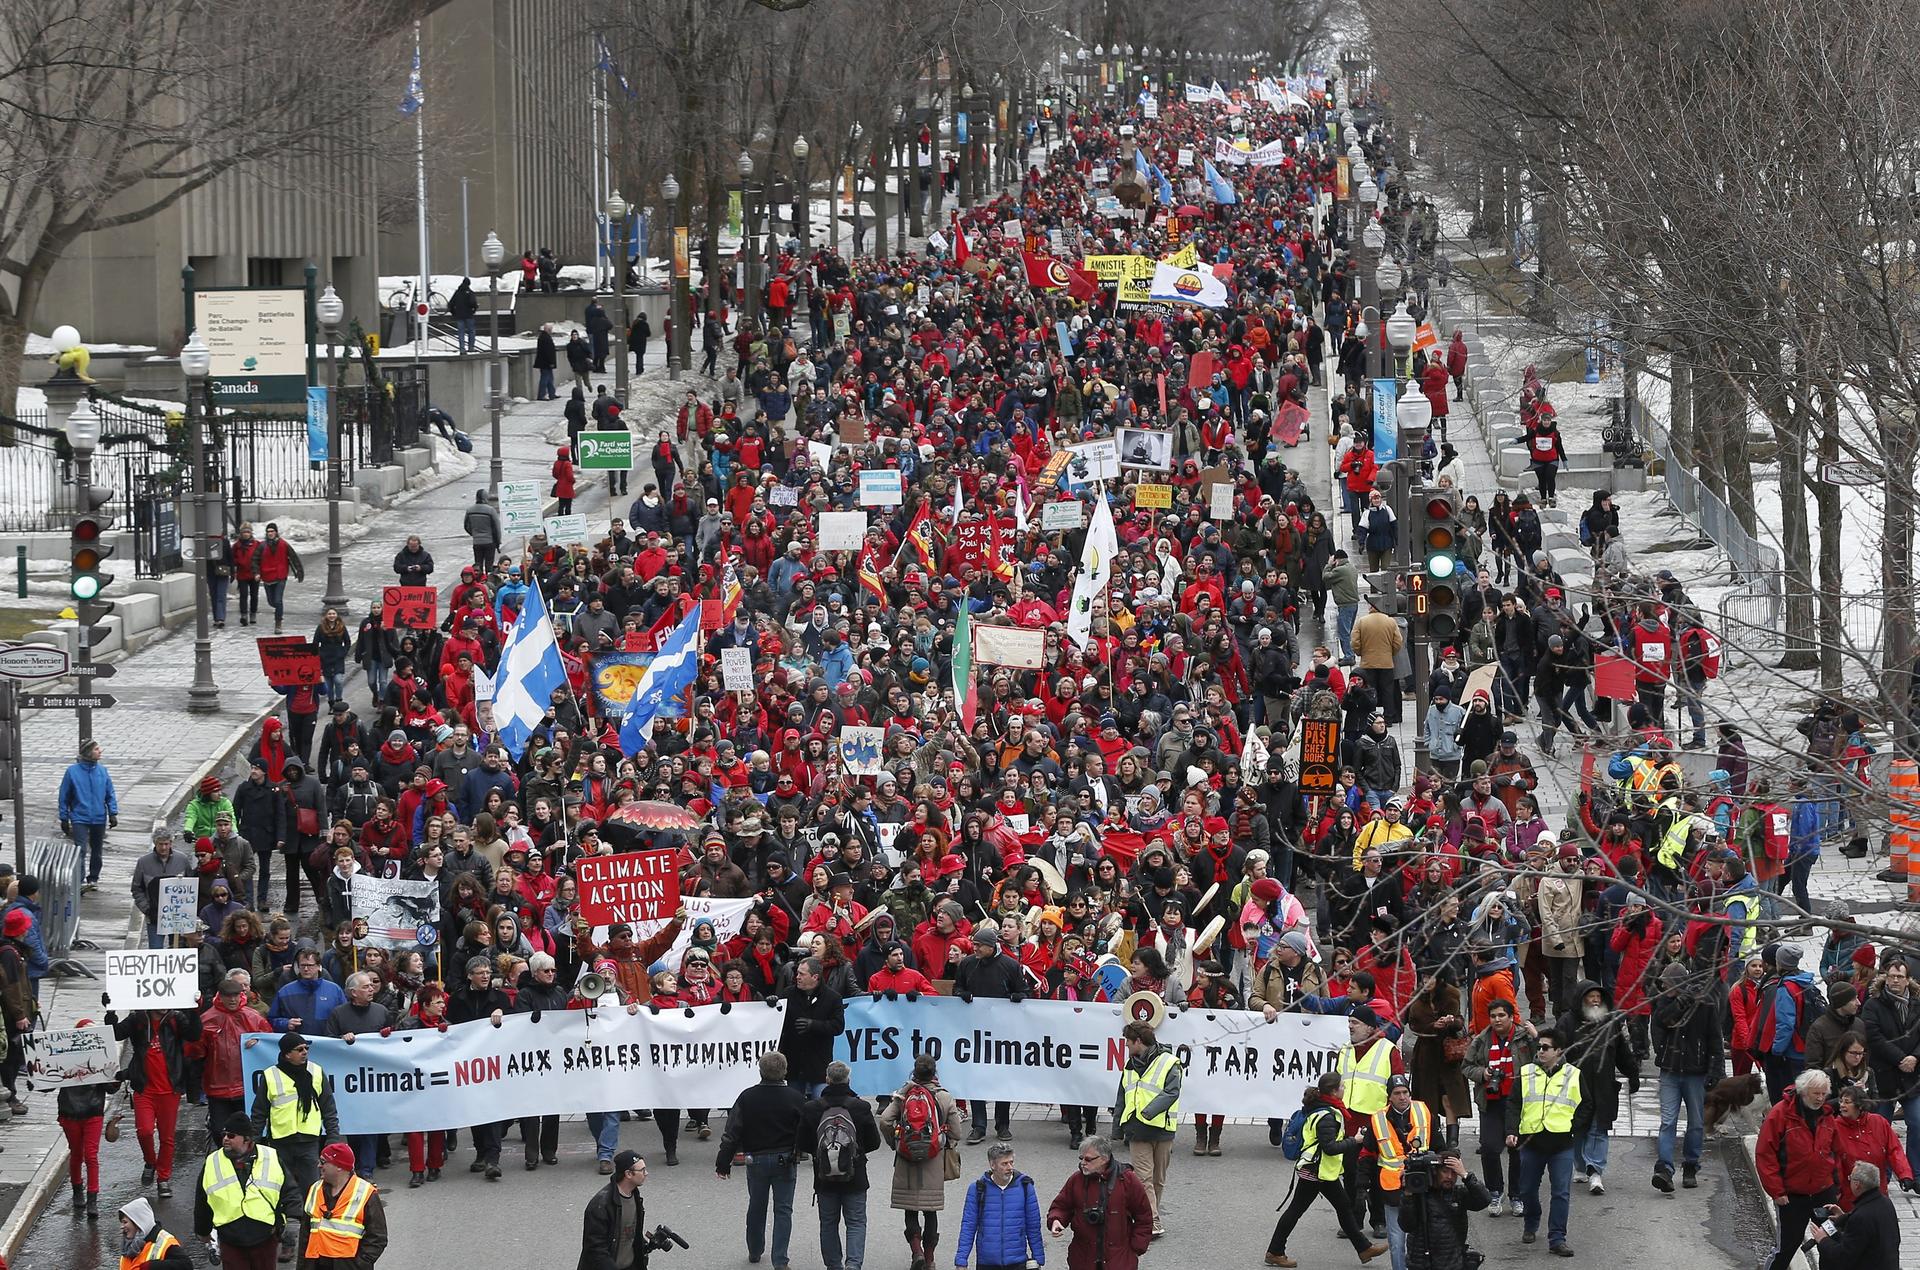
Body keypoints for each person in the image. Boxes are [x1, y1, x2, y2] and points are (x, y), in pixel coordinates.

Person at [1264, 1071, 1389, 1266]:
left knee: (1343, 1207)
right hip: (1317, 1172)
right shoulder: (1327, 1116)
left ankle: (1364, 1249)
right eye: (1341, 1086)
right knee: (1296, 1211)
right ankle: (1274, 1252)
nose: (1344, 1089)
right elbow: (1330, 1147)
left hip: (1321, 1172)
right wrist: (1354, 1141)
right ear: (1333, 1091)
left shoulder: (1324, 1109)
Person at [716, 1050, 808, 1270]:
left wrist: (723, 1161)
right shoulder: (796, 1098)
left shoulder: (747, 1097)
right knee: (783, 1209)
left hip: (755, 1159)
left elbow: (732, 1132)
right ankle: (780, 1260)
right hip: (785, 1158)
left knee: (756, 1205)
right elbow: (804, 1131)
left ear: (760, 1071)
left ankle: (755, 1249)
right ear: (785, 1070)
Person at [250, 1032, 339, 1260]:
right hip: (280, 1142)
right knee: (281, 1193)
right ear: (286, 1054)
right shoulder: (270, 1076)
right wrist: (255, 1142)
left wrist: (333, 1137)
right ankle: (287, 1241)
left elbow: (328, 1107)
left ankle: (312, 1240)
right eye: (299, 1050)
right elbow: (259, 1111)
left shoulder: (316, 1072)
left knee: (311, 1192)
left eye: (306, 1049)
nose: (305, 1053)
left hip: (309, 1141)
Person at [876, 1053, 964, 1270]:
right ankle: (930, 1258)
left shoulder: (905, 1094)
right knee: (930, 1209)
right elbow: (957, 1131)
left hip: (906, 1158)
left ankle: (917, 1252)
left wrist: (894, 1143)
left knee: (910, 1208)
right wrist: (945, 1144)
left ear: (914, 1071)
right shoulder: (944, 1097)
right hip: (933, 1160)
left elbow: (886, 1121)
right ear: (934, 1072)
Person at [794, 1060, 883, 1270]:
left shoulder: (812, 1108)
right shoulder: (860, 1107)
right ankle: (853, 1265)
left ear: (827, 1079)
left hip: (824, 1177)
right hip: (855, 1177)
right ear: (848, 1079)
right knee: (856, 1222)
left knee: (828, 1224)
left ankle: (834, 1265)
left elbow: (802, 1143)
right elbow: (874, 1142)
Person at [1507, 1026, 1588, 1257]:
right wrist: (1512, 1130)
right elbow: (1513, 1103)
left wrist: (1573, 1128)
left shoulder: (1573, 1074)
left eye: (1545, 1048)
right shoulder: (1525, 1073)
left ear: (1559, 1051)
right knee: (1527, 1190)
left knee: (1561, 1192)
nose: (1540, 1051)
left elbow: (1587, 1105)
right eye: (1538, 1047)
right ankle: (1531, 1222)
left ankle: (1557, 1238)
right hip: (1531, 1143)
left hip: (1561, 1144)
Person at [1757, 1068, 1841, 1270]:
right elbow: (1765, 1154)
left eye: (1824, 1094)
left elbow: (1836, 1151)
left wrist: (1837, 1185)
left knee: (1830, 1241)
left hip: (1823, 1194)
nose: (1821, 1098)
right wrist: (1776, 1191)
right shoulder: (1780, 1114)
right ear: (1804, 1091)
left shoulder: (1827, 1115)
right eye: (1816, 1093)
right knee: (1786, 1247)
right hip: (1792, 1196)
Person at [1649, 959, 1715, 1193]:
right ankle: (1664, 1169)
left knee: (1696, 1123)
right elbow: (1661, 1023)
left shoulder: (1705, 1003)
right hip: (1670, 1069)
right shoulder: (1664, 1002)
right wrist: (1661, 1053)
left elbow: (1714, 1037)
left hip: (1695, 1071)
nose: (1665, 988)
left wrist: (1716, 1070)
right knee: (1668, 1121)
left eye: (1669, 984)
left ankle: (1690, 1165)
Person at [1112, 1019, 1180, 1238]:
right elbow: (1122, 1096)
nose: (1126, 1047)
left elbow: (1172, 1092)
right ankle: (1151, 1220)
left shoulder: (1169, 1062)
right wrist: (1117, 1129)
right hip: (1137, 1130)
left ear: (1138, 1041)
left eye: (1128, 1043)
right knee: (1143, 1179)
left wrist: (1149, 1112)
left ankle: (1149, 1216)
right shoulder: (1130, 1066)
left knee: (1158, 1180)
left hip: (1162, 1128)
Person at [1045, 1136, 1153, 1270]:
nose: (1083, 1163)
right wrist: (1056, 1220)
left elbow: (1144, 1216)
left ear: (1104, 1159)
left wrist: (1136, 1248)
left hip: (1119, 1260)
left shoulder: (1127, 1180)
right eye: (1081, 1158)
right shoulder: (1076, 1180)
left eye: (1088, 1159)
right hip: (1083, 1259)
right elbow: (1061, 1206)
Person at [195, 1114, 287, 1270]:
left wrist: (288, 1223)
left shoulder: (271, 1157)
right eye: (223, 1135)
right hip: (231, 1240)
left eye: (231, 1135)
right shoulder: (212, 1162)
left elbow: (288, 1191)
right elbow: (202, 1200)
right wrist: (203, 1231)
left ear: (247, 1139)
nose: (225, 1139)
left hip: (264, 1237)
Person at [1364, 1073, 1433, 1270]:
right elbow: (1368, 1153)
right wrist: (1363, 1184)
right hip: (1392, 1189)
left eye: (1405, 1092)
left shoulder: (1423, 1112)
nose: (1402, 1097)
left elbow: (1438, 1144)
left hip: (1422, 1186)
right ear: (1390, 1097)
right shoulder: (1377, 1120)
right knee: (1396, 1242)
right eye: (1397, 1093)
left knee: (1425, 1237)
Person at [953, 1141, 1045, 1270]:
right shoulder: (977, 1189)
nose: (1010, 1167)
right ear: (992, 1165)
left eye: (1011, 1162)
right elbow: (968, 1226)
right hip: (987, 1262)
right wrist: (961, 1260)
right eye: (1004, 1164)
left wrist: (1038, 1258)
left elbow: (1033, 1225)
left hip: (1017, 1261)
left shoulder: (1025, 1186)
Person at [296, 1141, 387, 1269]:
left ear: (338, 1166)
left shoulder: (365, 1193)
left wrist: (359, 1264)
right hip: (316, 1263)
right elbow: (305, 1234)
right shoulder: (315, 1190)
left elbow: (378, 1237)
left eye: (323, 1162)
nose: (318, 1165)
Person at [1398, 1151, 1491, 1270]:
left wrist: (1466, 1175)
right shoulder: (1418, 1195)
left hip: (1453, 1264)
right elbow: (1406, 1226)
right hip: (1420, 1263)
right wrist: (1407, 1194)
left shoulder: (1459, 1194)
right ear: (1435, 1172)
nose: (1449, 1177)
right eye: (1445, 1171)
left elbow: (1484, 1200)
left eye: (1454, 1173)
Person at [1805, 1160, 1901, 1270]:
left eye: (1850, 1178)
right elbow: (1869, 1231)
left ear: (1857, 1185)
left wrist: (1822, 1239)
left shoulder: (1861, 1216)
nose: (1848, 1180)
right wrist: (1844, 1217)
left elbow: (1844, 1257)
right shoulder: (1885, 1203)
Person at [58, 738, 118, 889]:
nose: (100, 751)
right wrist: (64, 817)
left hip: (99, 817)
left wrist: (112, 812)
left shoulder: (102, 771)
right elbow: (64, 796)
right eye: (97, 749)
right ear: (88, 752)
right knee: (81, 849)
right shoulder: (72, 772)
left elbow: (109, 792)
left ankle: (93, 878)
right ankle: (80, 879)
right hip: (80, 817)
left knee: (97, 850)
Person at [578, 1149, 650, 1270]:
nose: (646, 1173)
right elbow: (595, 1249)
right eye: (642, 1170)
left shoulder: (634, 1196)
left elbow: (629, 1232)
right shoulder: (600, 1206)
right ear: (628, 1174)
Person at [119, 1196, 194, 1270]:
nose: (121, 1227)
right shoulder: (128, 1247)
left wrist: (153, 1267)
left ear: (138, 1222)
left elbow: (186, 1265)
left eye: (125, 1222)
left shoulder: (165, 1241)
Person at [464, 490, 503, 569]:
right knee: (489, 565)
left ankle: (479, 579)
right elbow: (497, 527)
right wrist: (498, 541)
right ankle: (488, 580)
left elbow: (466, 526)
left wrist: (474, 534)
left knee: (478, 564)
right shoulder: (490, 510)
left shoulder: (470, 510)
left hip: (477, 542)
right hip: (489, 541)